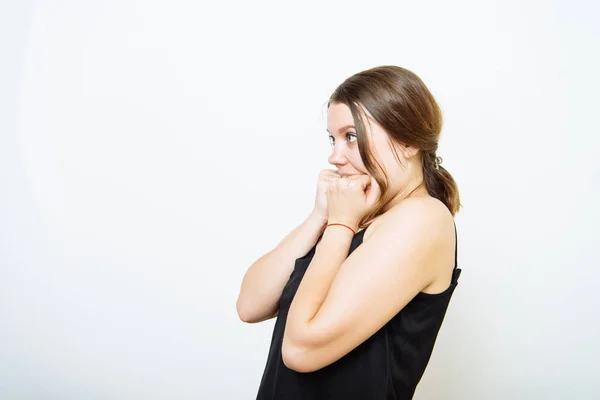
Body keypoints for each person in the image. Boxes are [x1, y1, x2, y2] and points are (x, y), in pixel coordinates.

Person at [236, 65, 462, 400]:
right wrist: (320, 216)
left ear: (407, 141)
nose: (334, 156)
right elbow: (249, 305)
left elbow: (300, 349)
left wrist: (341, 225)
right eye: (333, 139)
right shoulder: (355, 216)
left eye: (351, 137)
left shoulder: (423, 218)